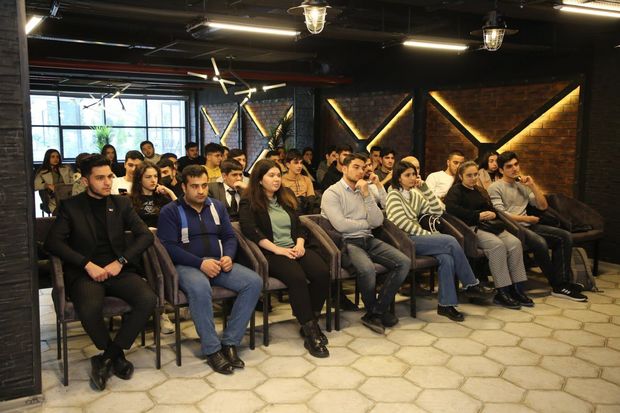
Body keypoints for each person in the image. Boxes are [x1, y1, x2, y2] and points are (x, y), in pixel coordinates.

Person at [44, 154, 157, 391]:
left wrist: (121, 261)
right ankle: (115, 356)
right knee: (89, 308)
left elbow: (145, 235)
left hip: (118, 269)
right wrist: (86, 264)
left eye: (109, 177)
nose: (107, 182)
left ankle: (107, 357)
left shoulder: (121, 203)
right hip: (86, 273)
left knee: (148, 299)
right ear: (86, 181)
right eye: (100, 178)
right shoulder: (71, 206)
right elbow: (53, 243)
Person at [157, 165, 262, 375]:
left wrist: (228, 256)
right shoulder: (170, 211)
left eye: (204, 185)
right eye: (195, 186)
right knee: (200, 288)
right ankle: (212, 349)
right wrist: (200, 263)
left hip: (218, 262)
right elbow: (168, 247)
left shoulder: (217, 207)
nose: (201, 191)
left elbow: (229, 236)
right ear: (183, 187)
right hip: (187, 266)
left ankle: (229, 342)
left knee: (254, 282)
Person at [239, 160, 330, 357]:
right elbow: (250, 230)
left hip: (294, 247)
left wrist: (300, 244)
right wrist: (278, 250)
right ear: (259, 179)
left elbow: (299, 225)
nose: (276, 179)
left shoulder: (286, 196)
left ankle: (311, 320)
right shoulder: (249, 201)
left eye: (278, 175)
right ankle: (311, 332)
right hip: (271, 252)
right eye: (271, 175)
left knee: (322, 273)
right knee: (297, 278)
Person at [385, 160, 493, 322]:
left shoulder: (415, 194)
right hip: (404, 241)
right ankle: (471, 284)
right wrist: (427, 235)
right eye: (407, 175)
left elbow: (439, 210)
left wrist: (425, 189)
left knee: (446, 258)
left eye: (414, 174)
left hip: (419, 238)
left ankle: (446, 305)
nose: (413, 178)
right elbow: (400, 222)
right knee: (450, 241)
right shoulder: (393, 195)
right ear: (399, 178)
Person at [321, 153, 411, 334]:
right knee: (367, 269)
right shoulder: (332, 193)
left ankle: (376, 311)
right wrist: (366, 223)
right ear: (344, 168)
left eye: (363, 168)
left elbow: (377, 221)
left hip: (369, 239)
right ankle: (374, 311)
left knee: (404, 262)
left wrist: (367, 195)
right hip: (347, 242)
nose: (360, 171)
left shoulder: (365, 190)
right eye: (356, 167)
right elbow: (341, 225)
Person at [488, 151, 586, 301]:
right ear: (501, 170)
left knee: (564, 236)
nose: (514, 168)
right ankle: (558, 285)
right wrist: (526, 218)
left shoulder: (523, 185)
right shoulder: (495, 187)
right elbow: (502, 214)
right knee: (540, 242)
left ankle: (563, 282)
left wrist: (532, 186)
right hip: (512, 228)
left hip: (529, 225)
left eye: (516, 164)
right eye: (509, 166)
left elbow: (543, 206)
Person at [445, 161, 532, 309]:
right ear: (460, 176)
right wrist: (477, 216)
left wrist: (492, 213)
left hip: (489, 225)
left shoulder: (479, 190)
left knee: (515, 243)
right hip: (470, 228)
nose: (473, 178)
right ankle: (502, 291)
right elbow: (452, 210)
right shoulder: (456, 191)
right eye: (469, 175)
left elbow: (490, 207)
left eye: (475, 175)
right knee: (497, 246)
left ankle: (517, 288)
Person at [130, 162, 177, 228]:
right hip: (140, 233)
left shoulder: (163, 199)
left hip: (161, 233)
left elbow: (180, 213)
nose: (153, 180)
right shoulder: (130, 200)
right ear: (139, 179)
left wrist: (170, 192)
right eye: (148, 177)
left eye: (155, 176)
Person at [34, 149, 73, 214]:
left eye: (57, 157)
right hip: (54, 198)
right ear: (48, 158)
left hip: (68, 194)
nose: (56, 159)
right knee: (61, 211)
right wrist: (47, 185)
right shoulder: (42, 172)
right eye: (53, 157)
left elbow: (74, 181)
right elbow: (35, 185)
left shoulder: (66, 168)